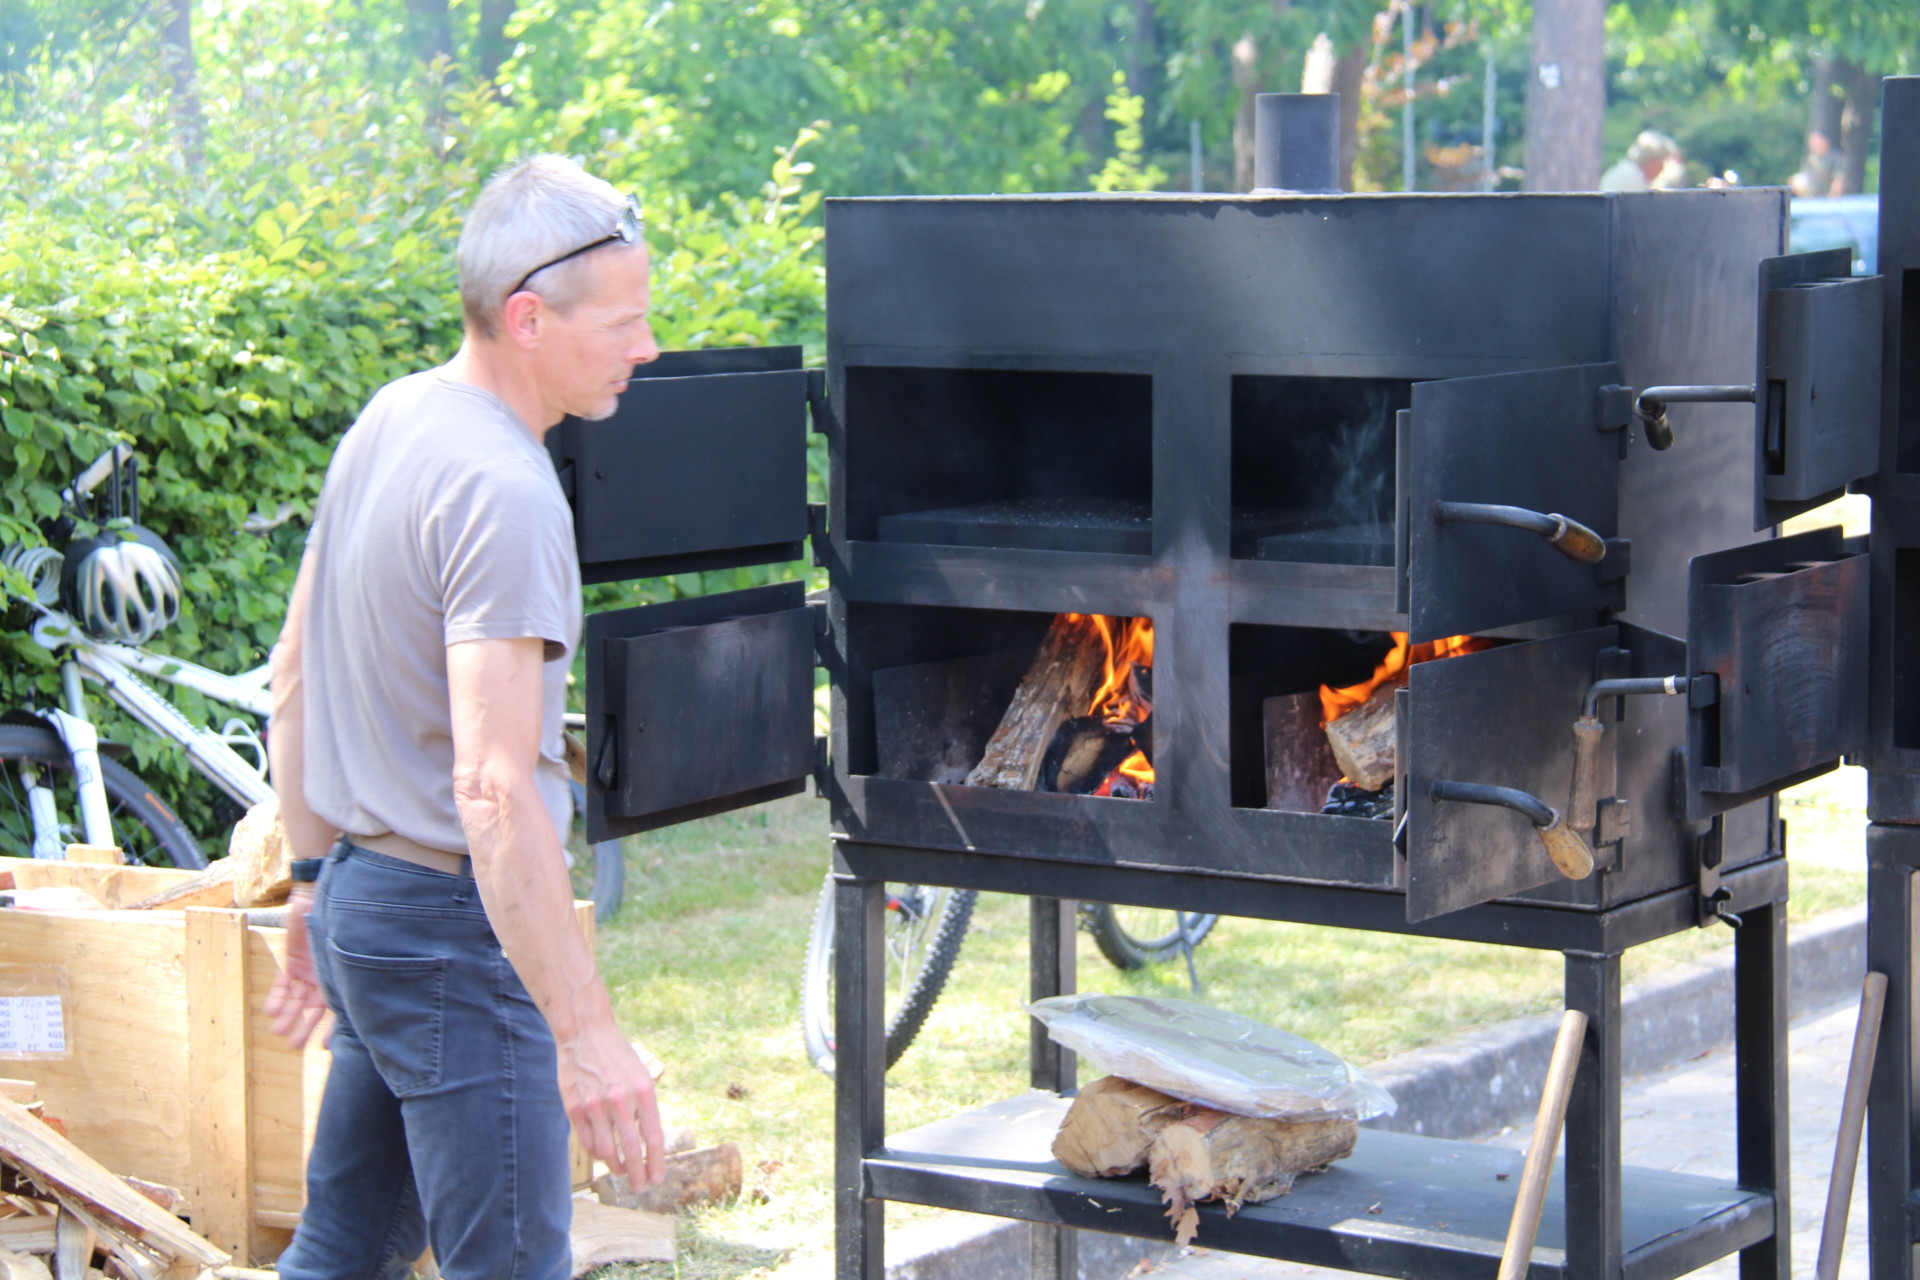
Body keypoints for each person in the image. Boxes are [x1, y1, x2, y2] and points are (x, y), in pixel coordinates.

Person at [264, 154, 666, 1280]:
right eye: (625, 322)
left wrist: (308, 878)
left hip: (365, 904)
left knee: (342, 1250)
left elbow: (292, 671)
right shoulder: (504, 488)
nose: (648, 347)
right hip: (446, 931)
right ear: (528, 317)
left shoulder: (393, 416)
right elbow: (492, 787)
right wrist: (586, 1032)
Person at [1600, 130, 1681, 192]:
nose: (1662, 169)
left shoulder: (1636, 174)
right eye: (1661, 163)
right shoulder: (1630, 174)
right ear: (1651, 160)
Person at [1791, 129, 1845, 198]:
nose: (1814, 145)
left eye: (1817, 142)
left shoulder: (1836, 159)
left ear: (1825, 141)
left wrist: (1832, 198)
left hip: (1829, 201)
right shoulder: (1810, 160)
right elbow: (1805, 179)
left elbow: (1839, 180)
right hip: (1811, 201)